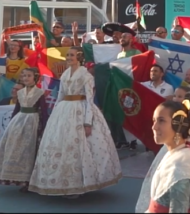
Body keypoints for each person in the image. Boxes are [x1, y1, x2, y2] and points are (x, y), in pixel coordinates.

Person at [28, 48, 122, 198]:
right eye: (67, 55)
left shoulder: (86, 75)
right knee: (62, 146)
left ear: (79, 57)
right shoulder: (65, 74)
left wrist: (88, 122)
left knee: (81, 147)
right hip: (64, 111)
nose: (69, 57)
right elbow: (60, 96)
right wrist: (54, 117)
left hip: (80, 109)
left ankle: (80, 183)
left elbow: (90, 100)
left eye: (72, 55)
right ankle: (62, 182)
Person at [136, 100, 190, 213]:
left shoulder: (180, 169)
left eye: (161, 121)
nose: (154, 127)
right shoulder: (177, 153)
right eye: (154, 120)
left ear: (178, 125)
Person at [0, 68, 48, 193]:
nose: (26, 78)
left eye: (29, 76)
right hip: (19, 122)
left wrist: (44, 127)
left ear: (35, 77)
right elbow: (17, 109)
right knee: (18, 149)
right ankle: (20, 179)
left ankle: (31, 180)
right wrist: (11, 123)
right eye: (24, 76)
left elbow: (44, 111)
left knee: (30, 150)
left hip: (32, 122)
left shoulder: (39, 93)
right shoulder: (20, 93)